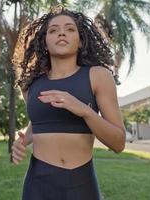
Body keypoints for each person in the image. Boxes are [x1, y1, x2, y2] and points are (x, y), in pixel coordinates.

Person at [11, 6, 126, 200]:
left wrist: (85, 111)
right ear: (45, 43)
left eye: (70, 29)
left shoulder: (98, 76)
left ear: (80, 41)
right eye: (53, 30)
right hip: (39, 184)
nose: (61, 32)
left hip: (82, 183)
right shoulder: (30, 84)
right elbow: (39, 121)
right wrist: (23, 140)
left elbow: (118, 143)